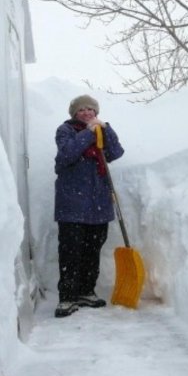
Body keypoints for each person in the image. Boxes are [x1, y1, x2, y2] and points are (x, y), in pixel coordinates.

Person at [53, 94, 125, 318]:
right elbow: (66, 155)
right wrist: (88, 133)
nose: (87, 113)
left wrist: (106, 130)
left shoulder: (101, 131)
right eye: (81, 110)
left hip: (98, 204)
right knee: (70, 251)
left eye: (91, 109)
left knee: (92, 250)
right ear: (74, 114)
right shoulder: (66, 131)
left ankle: (86, 291)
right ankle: (67, 297)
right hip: (72, 204)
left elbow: (115, 153)